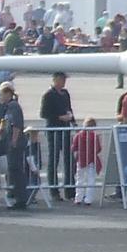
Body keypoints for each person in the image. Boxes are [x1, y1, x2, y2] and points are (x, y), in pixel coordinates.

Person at [0, 83, 31, 208]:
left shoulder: (14, 106)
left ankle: (21, 199)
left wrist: (14, 141)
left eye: (1, 94)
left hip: (13, 141)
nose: (0, 97)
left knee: (15, 169)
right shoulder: (5, 107)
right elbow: (4, 121)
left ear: (8, 93)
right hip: (6, 140)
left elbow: (16, 125)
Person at [41, 71, 75, 200]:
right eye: (61, 79)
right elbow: (44, 113)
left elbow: (69, 108)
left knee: (69, 159)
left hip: (65, 129)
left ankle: (70, 189)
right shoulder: (48, 95)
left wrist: (72, 119)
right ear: (55, 79)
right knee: (53, 160)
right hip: (54, 130)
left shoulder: (65, 94)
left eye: (64, 79)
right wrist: (60, 117)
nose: (63, 81)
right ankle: (54, 190)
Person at [72, 120, 104, 206]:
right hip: (92, 160)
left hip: (81, 160)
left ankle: (78, 198)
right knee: (91, 180)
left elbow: (74, 147)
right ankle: (88, 199)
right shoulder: (94, 136)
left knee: (80, 179)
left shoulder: (78, 135)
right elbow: (98, 149)